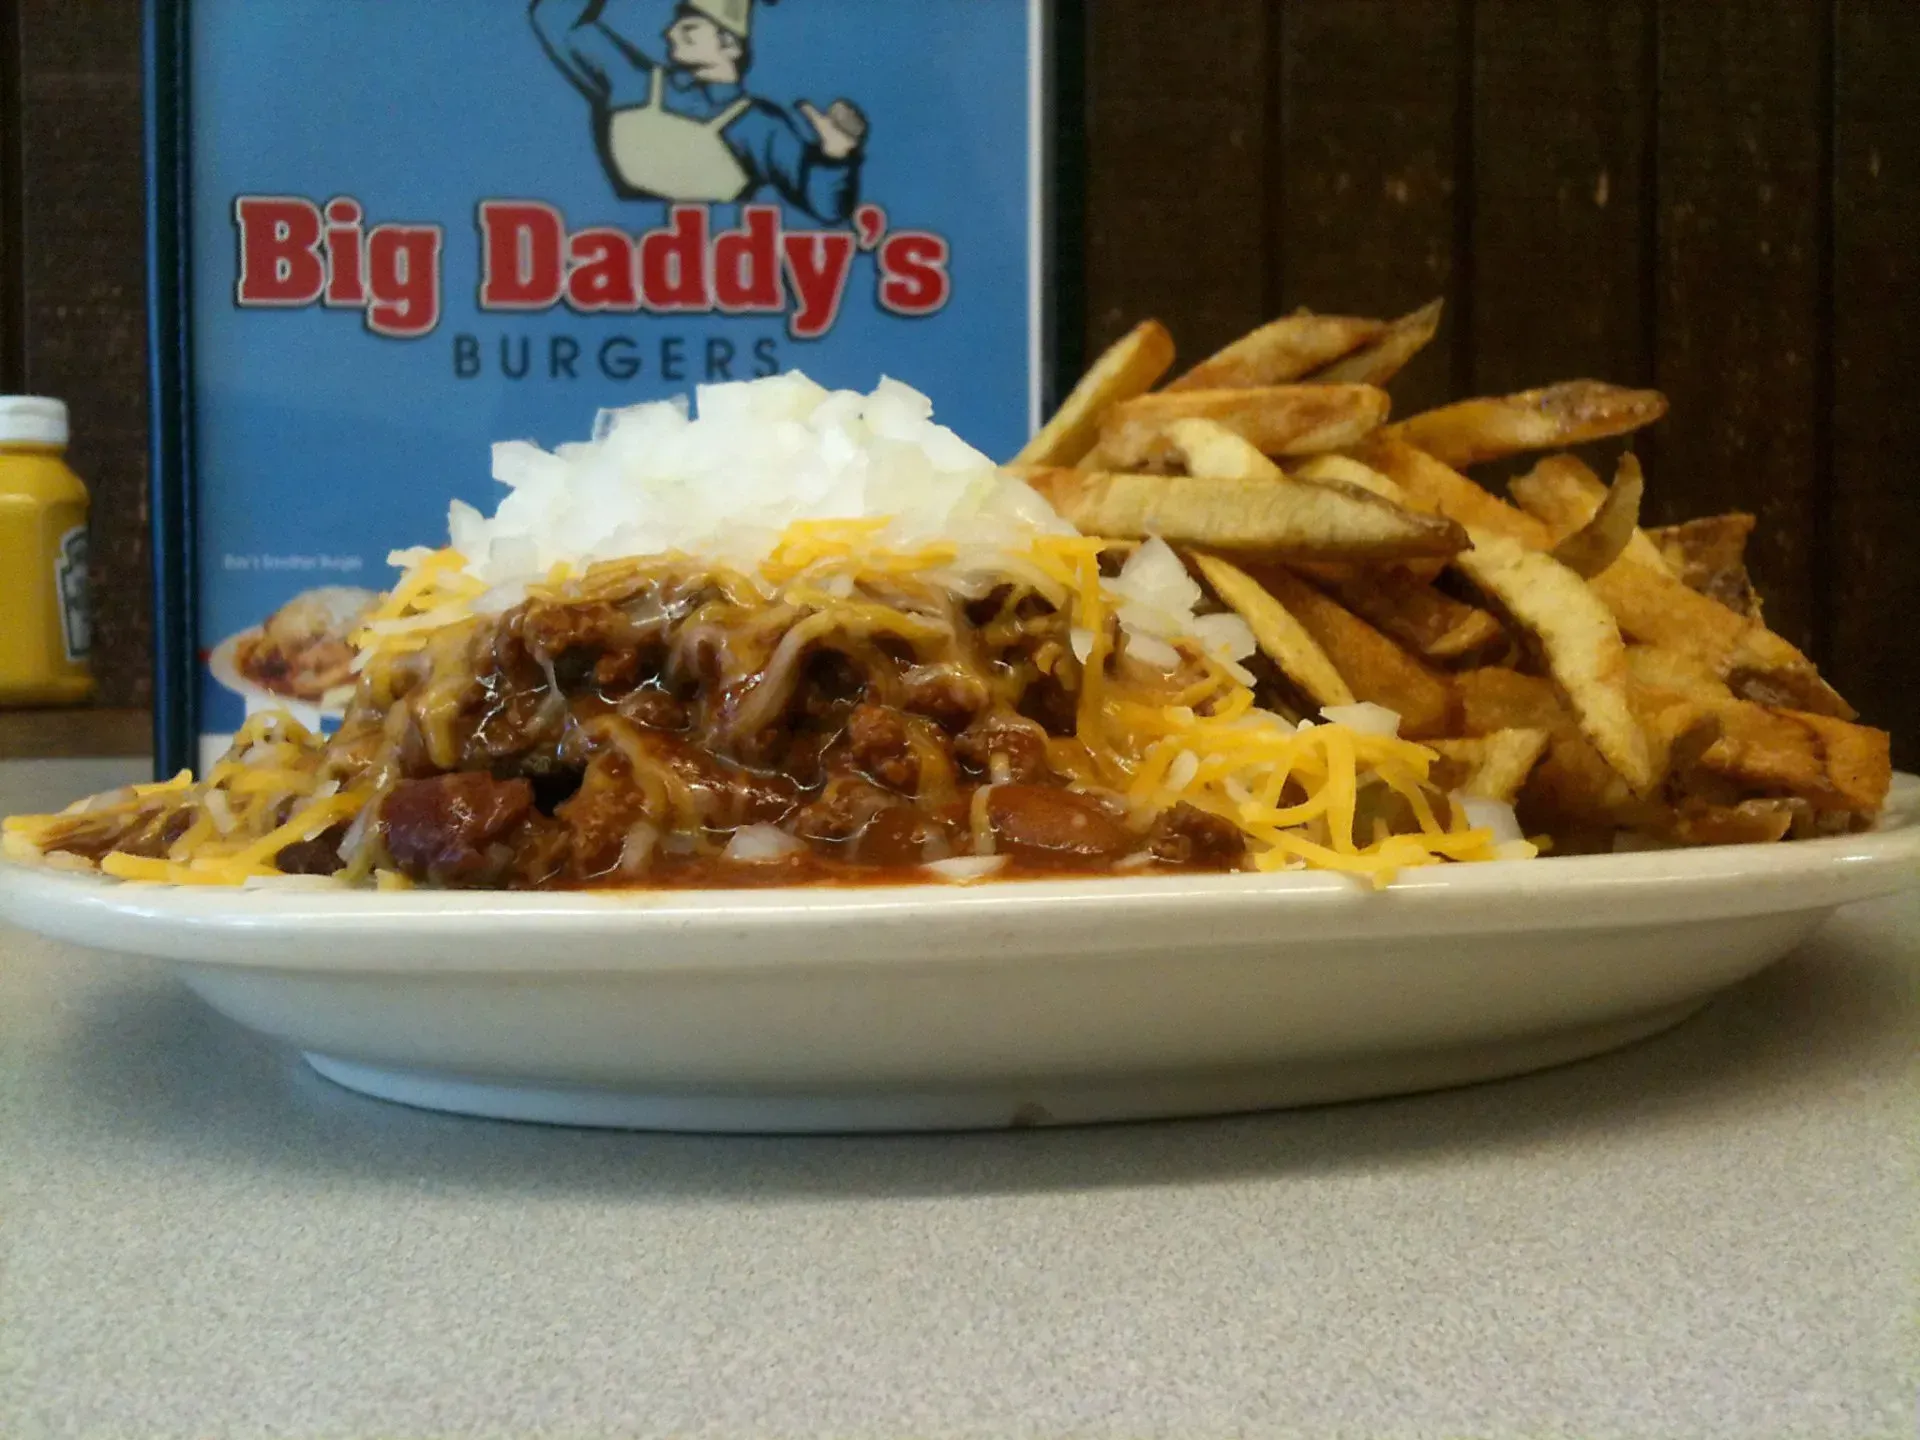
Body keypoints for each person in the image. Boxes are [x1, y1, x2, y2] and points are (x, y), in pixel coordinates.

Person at [530, 0, 869, 225]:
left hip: (713, 274)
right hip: (608, 264)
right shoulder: (634, 83)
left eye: (688, 29)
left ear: (729, 45)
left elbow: (825, 206)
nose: (668, 33)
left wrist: (837, 153)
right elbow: (557, 20)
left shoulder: (756, 125)